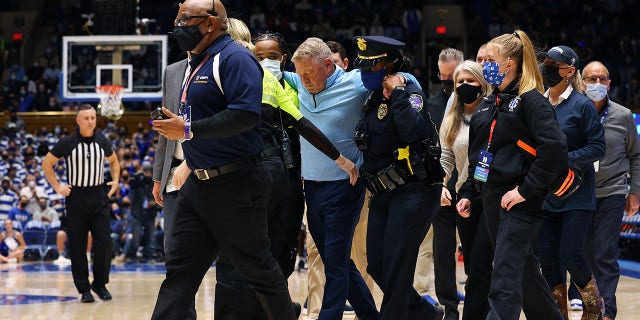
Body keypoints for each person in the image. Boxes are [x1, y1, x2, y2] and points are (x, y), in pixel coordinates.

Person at [150, 1, 296, 319]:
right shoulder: (197, 62)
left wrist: (187, 129)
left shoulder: (236, 58)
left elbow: (245, 115)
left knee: (259, 271)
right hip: (198, 186)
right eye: (177, 18)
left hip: (236, 184)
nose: (179, 25)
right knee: (179, 274)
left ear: (212, 23)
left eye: (186, 19)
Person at [456, 29, 568, 320]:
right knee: (525, 273)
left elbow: (554, 149)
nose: (484, 66)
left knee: (504, 276)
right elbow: (482, 155)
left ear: (509, 63)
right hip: (493, 199)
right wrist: (470, 192)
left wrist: (525, 190)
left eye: (490, 60)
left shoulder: (531, 100)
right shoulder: (490, 102)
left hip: (520, 200)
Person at [283, 37, 378, 320]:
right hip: (310, 187)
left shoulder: (356, 83)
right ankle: (377, 315)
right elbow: (267, 69)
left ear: (328, 65)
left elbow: (403, 77)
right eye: (298, 74)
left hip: (344, 186)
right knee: (334, 259)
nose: (303, 80)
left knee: (335, 261)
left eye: (308, 74)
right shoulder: (298, 80)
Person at [353, 35, 444, 320]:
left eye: (373, 66)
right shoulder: (372, 96)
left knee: (397, 265)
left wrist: (401, 95)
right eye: (363, 67)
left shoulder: (410, 89)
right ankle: (425, 315)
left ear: (390, 64)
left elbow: (414, 132)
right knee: (378, 265)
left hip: (413, 190)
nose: (367, 72)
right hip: (382, 192)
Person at [538, 45, 606, 319]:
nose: (547, 69)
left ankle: (594, 309)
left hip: (577, 193)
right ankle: (558, 315)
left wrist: (565, 158)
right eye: (546, 63)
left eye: (554, 65)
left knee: (570, 253)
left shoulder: (582, 105)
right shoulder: (537, 103)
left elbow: (598, 147)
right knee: (548, 259)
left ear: (569, 71)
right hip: (545, 193)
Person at [574, 61, 640, 320]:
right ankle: (590, 306)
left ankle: (606, 312)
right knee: (583, 255)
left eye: (602, 79)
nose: (597, 84)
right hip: (579, 192)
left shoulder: (623, 115)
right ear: (582, 82)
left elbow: (636, 156)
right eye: (591, 79)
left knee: (605, 254)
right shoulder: (575, 113)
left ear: (610, 83)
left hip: (612, 193)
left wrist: (634, 191)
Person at [42, 104, 120, 303]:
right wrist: (58, 187)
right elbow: (47, 163)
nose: (90, 121)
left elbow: (113, 161)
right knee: (77, 245)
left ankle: (99, 283)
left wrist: (116, 180)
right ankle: (84, 288)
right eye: (86, 118)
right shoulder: (67, 142)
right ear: (77, 120)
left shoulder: (103, 141)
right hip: (76, 197)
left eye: (93, 118)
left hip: (98, 195)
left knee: (104, 242)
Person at [439, 60, 493, 320]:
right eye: (460, 82)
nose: (464, 86)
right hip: (464, 196)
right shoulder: (452, 119)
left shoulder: (493, 112)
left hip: (491, 195)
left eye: (470, 81)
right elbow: (446, 158)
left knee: (483, 263)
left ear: (482, 84)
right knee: (472, 263)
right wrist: (441, 183)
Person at [416, 47, 464, 320]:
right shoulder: (430, 105)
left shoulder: (481, 105)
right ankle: (430, 294)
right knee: (433, 247)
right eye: (442, 77)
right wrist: (437, 184)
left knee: (463, 248)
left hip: (471, 185)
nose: (447, 83)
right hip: (438, 185)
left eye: (452, 77)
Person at [151, 52, 196, 319]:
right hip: (172, 174)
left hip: (208, 169)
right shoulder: (172, 71)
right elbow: (164, 131)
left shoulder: (221, 64)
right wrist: (158, 176)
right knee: (175, 253)